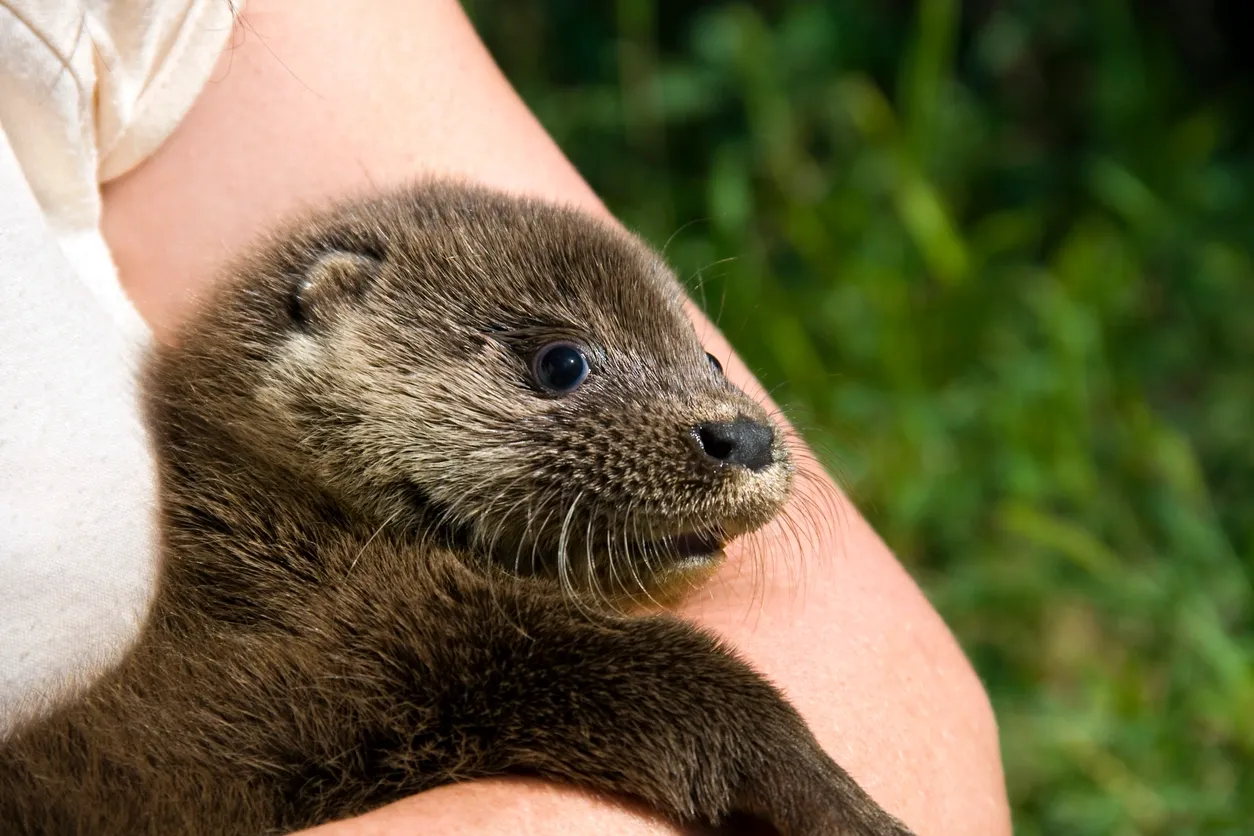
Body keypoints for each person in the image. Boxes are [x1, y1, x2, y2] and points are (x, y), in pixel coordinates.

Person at [0, 1, 1011, 832]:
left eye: (703, 360)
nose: (731, 419)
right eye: (560, 367)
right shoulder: (242, 596)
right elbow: (415, 660)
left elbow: (911, 698)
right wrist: (661, 697)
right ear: (332, 310)